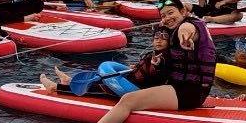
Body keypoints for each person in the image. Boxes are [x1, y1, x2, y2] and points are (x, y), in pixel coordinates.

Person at [60, 0, 216, 123]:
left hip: (189, 92)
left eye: (171, 13)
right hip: (179, 87)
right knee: (122, 86)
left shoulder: (189, 26)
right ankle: (64, 85)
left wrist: (184, 39)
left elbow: (187, 30)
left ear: (183, 12)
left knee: (128, 99)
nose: (167, 18)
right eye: (163, 16)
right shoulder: (173, 30)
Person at [41, 26, 171, 96]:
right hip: (132, 80)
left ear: (169, 41)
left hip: (136, 89)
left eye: (163, 38)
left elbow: (157, 70)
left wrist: (156, 65)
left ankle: (56, 88)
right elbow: (145, 69)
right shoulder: (151, 54)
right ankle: (69, 81)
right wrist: (136, 67)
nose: (159, 41)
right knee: (101, 76)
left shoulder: (163, 57)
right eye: (156, 38)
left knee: (101, 88)